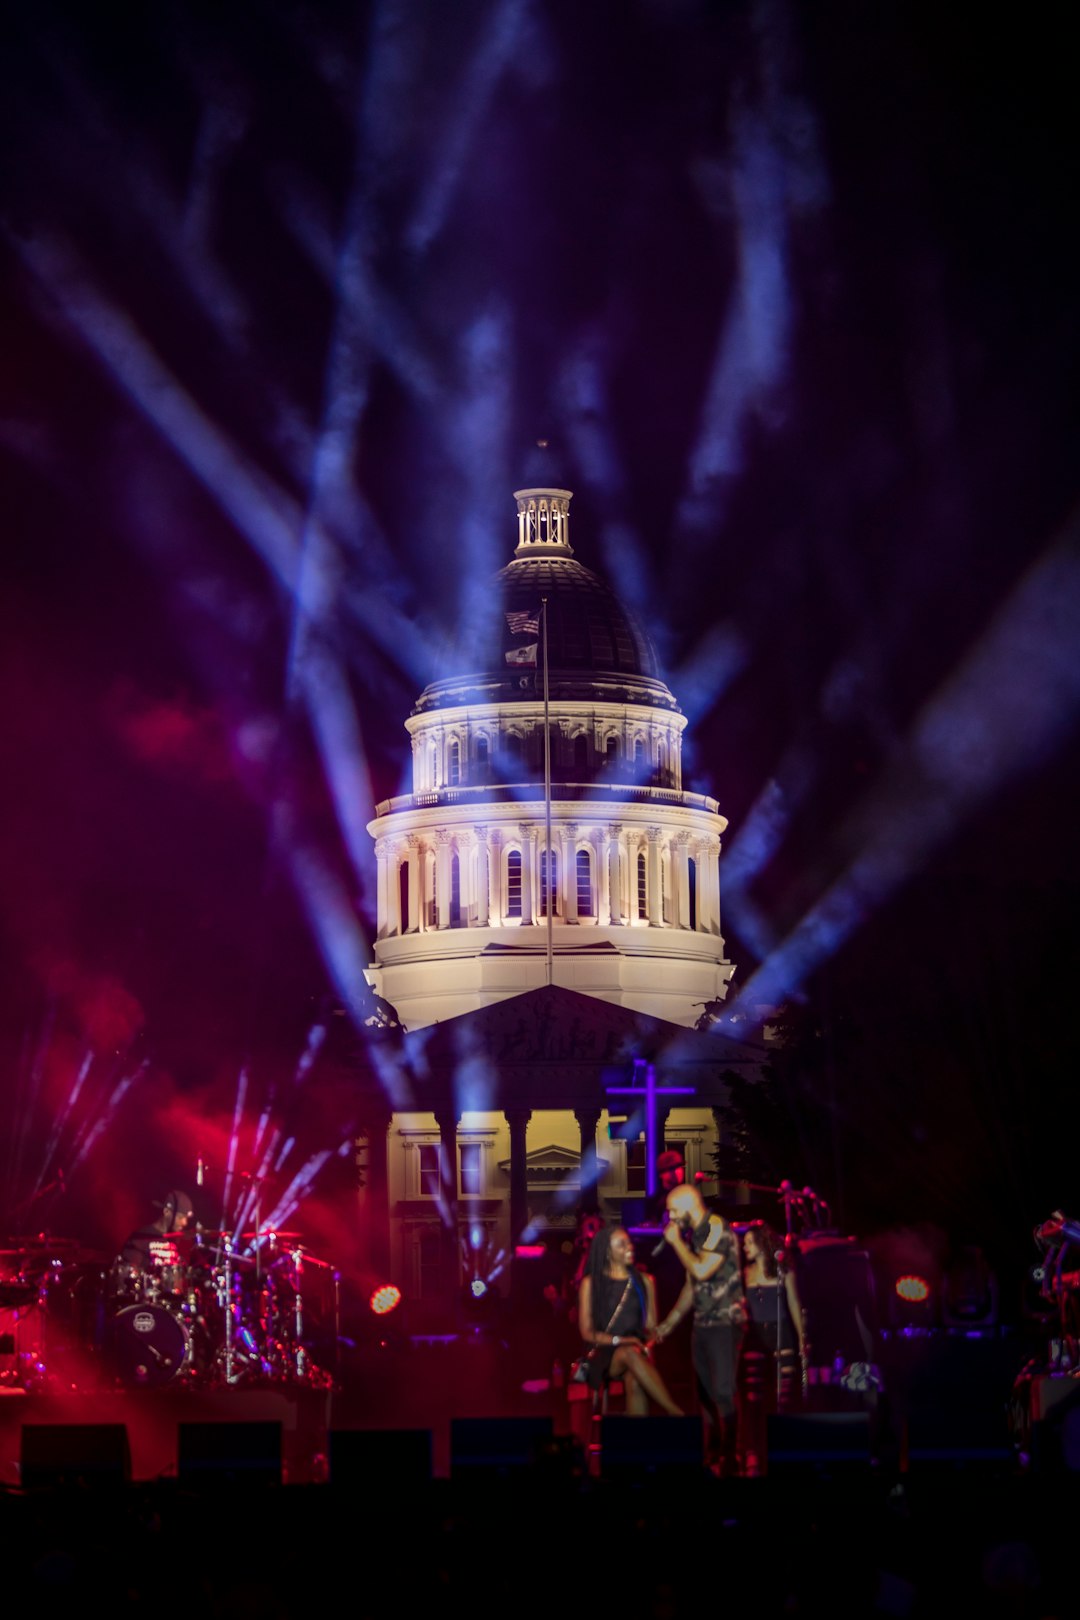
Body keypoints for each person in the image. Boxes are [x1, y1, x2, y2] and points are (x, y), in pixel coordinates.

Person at [655, 1183, 746, 1473]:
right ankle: (713, 1451)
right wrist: (669, 1323)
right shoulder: (696, 1235)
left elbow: (702, 1270)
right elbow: (692, 1285)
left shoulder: (717, 1227)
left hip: (725, 1320)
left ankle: (732, 1453)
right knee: (705, 1392)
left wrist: (676, 1243)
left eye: (672, 1210)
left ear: (688, 1206)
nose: (669, 1217)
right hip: (703, 1322)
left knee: (722, 1390)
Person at [577, 1225, 683, 1416]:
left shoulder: (645, 1281)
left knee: (635, 1381)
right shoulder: (591, 1283)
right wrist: (622, 1341)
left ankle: (636, 1443)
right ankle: (676, 1413)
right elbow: (586, 1332)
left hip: (636, 1351)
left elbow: (650, 1326)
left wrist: (652, 1338)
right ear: (608, 1253)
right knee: (628, 1351)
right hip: (603, 1354)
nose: (630, 1247)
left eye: (629, 1242)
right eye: (621, 1244)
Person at [738, 1221, 806, 1475]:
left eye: (748, 1243)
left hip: (781, 1333)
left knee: (784, 1398)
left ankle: (783, 1453)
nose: (744, 1247)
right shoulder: (745, 1273)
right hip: (755, 1335)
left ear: (762, 1244)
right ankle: (753, 1454)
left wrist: (801, 1340)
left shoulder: (784, 1271)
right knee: (753, 1398)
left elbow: (795, 1305)